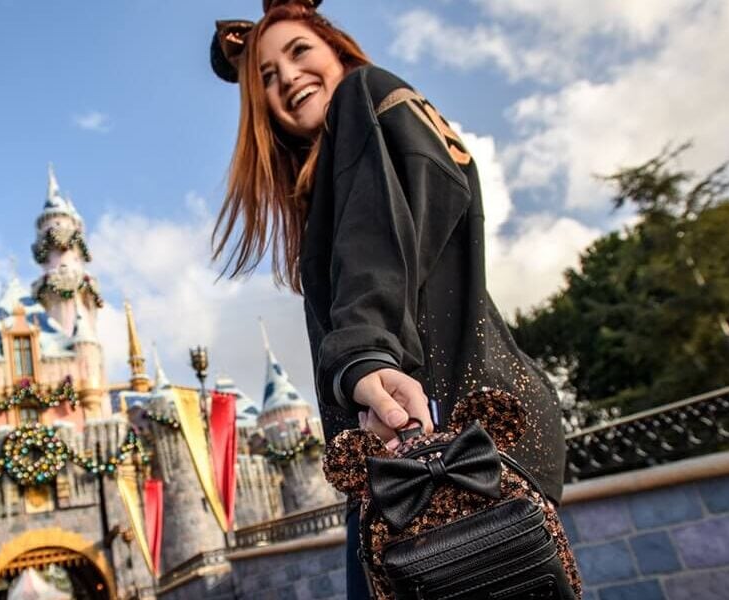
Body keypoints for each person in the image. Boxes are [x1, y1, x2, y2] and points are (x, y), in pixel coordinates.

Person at [208, 1, 565, 595]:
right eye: (265, 77)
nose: (287, 78)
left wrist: (365, 355)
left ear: (338, 51)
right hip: (455, 442)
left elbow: (379, 243)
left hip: (431, 448)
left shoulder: (362, 97)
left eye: (299, 53)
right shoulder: (357, 148)